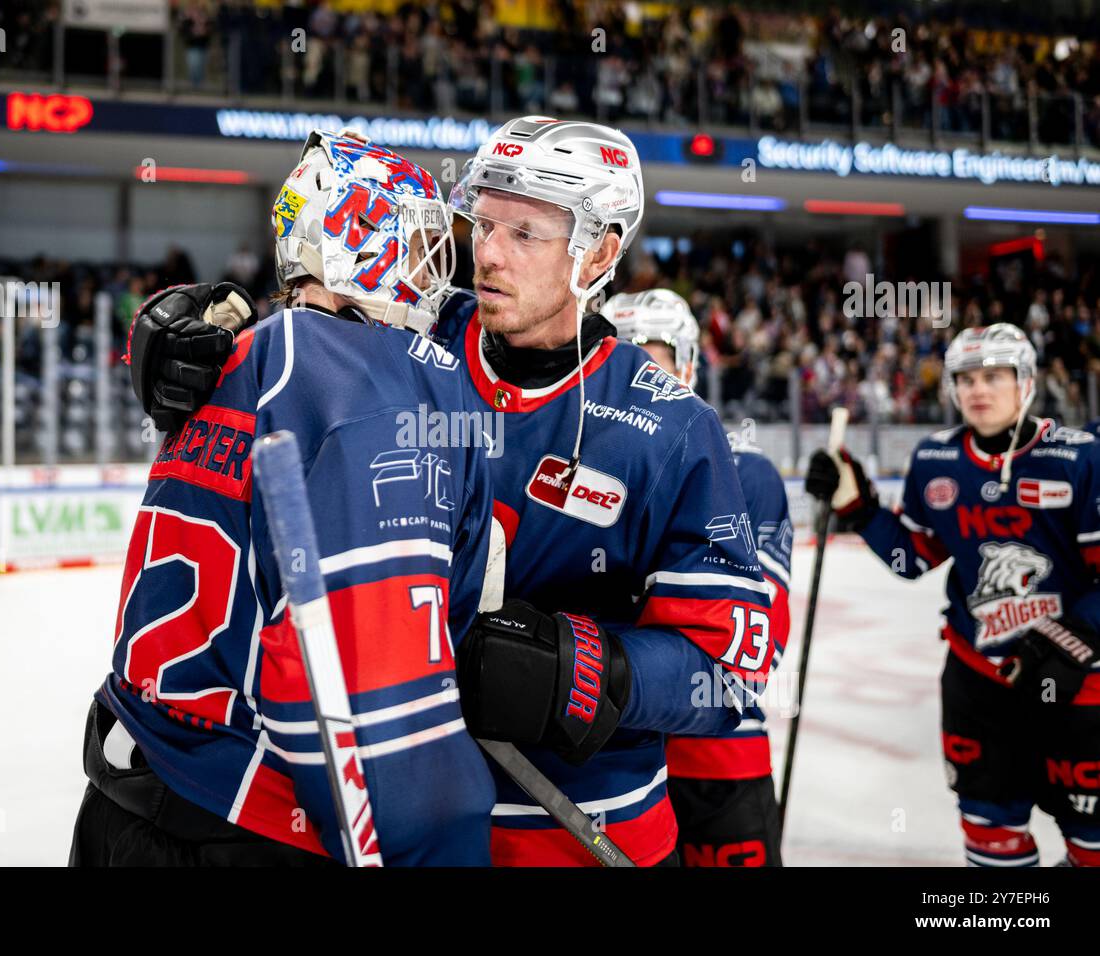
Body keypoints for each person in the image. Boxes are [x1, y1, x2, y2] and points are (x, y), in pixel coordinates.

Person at [133, 118, 769, 866]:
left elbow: (733, 672)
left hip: (580, 835)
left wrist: (595, 672)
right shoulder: (404, 334)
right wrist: (188, 338)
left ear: (598, 251)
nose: (487, 254)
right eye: (482, 223)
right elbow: (293, 335)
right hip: (388, 823)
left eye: (524, 234)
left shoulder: (672, 429)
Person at [70, 131, 500, 866]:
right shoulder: (371, 375)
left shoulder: (230, 350)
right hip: (253, 809)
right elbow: (365, 650)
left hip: (126, 779)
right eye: (419, 242)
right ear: (356, 237)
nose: (435, 272)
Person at [806, 323, 1100, 867]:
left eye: (994, 376)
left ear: (1027, 382)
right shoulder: (936, 459)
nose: (978, 390)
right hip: (979, 685)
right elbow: (913, 557)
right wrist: (859, 510)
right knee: (993, 843)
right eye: (966, 379)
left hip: (1075, 686)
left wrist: (1072, 641)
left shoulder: (1079, 458)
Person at [606, 288, 791, 867]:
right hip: (610, 767)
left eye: (650, 356)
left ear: (685, 364)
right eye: (618, 355)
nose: (633, 372)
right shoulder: (582, 469)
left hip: (715, 762)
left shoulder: (743, 472)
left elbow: (759, 647)